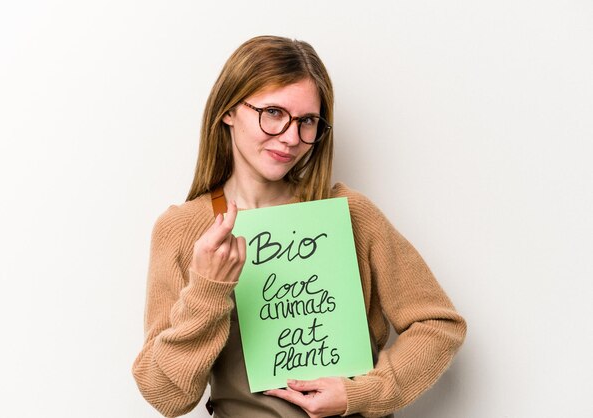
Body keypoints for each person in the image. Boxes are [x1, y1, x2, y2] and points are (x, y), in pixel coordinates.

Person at [132, 35, 466, 418]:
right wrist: (208, 288)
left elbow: (439, 324)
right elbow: (166, 396)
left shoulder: (349, 212)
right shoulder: (183, 229)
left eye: (307, 121)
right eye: (273, 112)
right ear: (228, 110)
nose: (291, 138)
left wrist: (362, 393)